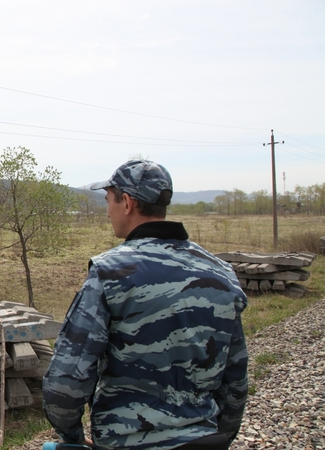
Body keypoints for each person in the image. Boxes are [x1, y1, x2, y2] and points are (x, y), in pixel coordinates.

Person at [42, 160, 248, 450]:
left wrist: (73, 438)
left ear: (126, 203)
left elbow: (65, 382)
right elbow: (235, 379)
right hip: (204, 441)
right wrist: (217, 436)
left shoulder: (109, 273)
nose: (107, 212)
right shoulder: (222, 273)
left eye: (107, 200)